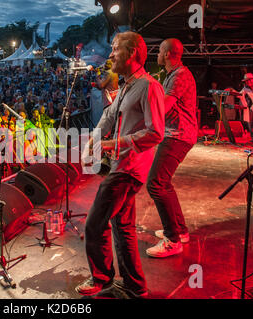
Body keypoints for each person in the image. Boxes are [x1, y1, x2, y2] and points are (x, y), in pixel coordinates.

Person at [76, 31, 165, 298]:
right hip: (122, 165)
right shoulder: (128, 85)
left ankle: (101, 279)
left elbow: (156, 132)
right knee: (122, 226)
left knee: (94, 224)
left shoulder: (149, 87)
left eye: (115, 49)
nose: (111, 54)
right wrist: (94, 139)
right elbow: (108, 114)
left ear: (133, 52)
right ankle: (135, 286)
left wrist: (110, 145)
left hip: (130, 168)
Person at [145, 38, 197, 258]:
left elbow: (163, 107)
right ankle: (180, 231)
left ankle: (172, 240)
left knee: (155, 184)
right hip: (176, 134)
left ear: (167, 54)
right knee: (164, 183)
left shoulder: (180, 75)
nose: (156, 55)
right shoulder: (173, 75)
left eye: (159, 51)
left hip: (179, 136)